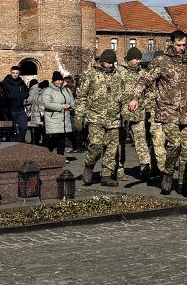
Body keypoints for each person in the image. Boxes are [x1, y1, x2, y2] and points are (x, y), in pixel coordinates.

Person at [129, 30, 187, 197]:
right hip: (168, 111)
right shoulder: (161, 61)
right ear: (171, 43)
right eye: (178, 45)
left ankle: (184, 182)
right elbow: (145, 79)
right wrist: (135, 98)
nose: (182, 48)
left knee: (186, 148)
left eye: (184, 45)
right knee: (174, 144)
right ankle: (168, 174)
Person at [77, 49, 124, 187]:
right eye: (108, 62)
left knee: (111, 149)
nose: (110, 65)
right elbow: (81, 96)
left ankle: (106, 176)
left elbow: (124, 95)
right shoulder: (90, 74)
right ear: (102, 61)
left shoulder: (118, 75)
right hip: (95, 117)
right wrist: (79, 115)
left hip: (114, 118)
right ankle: (89, 166)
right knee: (96, 146)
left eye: (112, 63)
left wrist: (126, 112)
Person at [117, 47, 153, 181]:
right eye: (136, 59)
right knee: (120, 143)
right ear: (129, 58)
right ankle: (119, 168)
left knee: (141, 141)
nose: (138, 61)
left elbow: (147, 93)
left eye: (139, 59)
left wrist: (147, 108)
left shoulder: (142, 73)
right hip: (122, 115)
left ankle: (145, 167)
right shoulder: (119, 72)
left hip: (139, 113)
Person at [42, 71, 75, 156]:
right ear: (53, 81)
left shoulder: (66, 90)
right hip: (53, 119)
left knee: (62, 139)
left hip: (64, 119)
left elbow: (72, 101)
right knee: (54, 138)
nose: (60, 82)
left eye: (61, 80)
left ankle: (60, 157)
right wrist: (61, 106)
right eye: (57, 80)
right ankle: (49, 156)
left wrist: (70, 106)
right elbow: (46, 103)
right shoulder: (48, 91)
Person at [0, 65, 29, 142]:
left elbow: (27, 92)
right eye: (13, 73)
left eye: (17, 73)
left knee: (23, 127)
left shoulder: (21, 82)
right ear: (11, 72)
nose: (15, 74)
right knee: (11, 130)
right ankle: (12, 145)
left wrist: (24, 96)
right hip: (10, 110)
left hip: (20, 109)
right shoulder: (6, 83)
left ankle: (19, 143)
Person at [25, 79, 46, 145]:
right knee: (43, 128)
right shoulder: (42, 89)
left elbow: (30, 100)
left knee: (36, 128)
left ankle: (35, 142)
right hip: (42, 112)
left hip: (36, 111)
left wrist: (24, 101)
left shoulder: (33, 89)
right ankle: (44, 143)